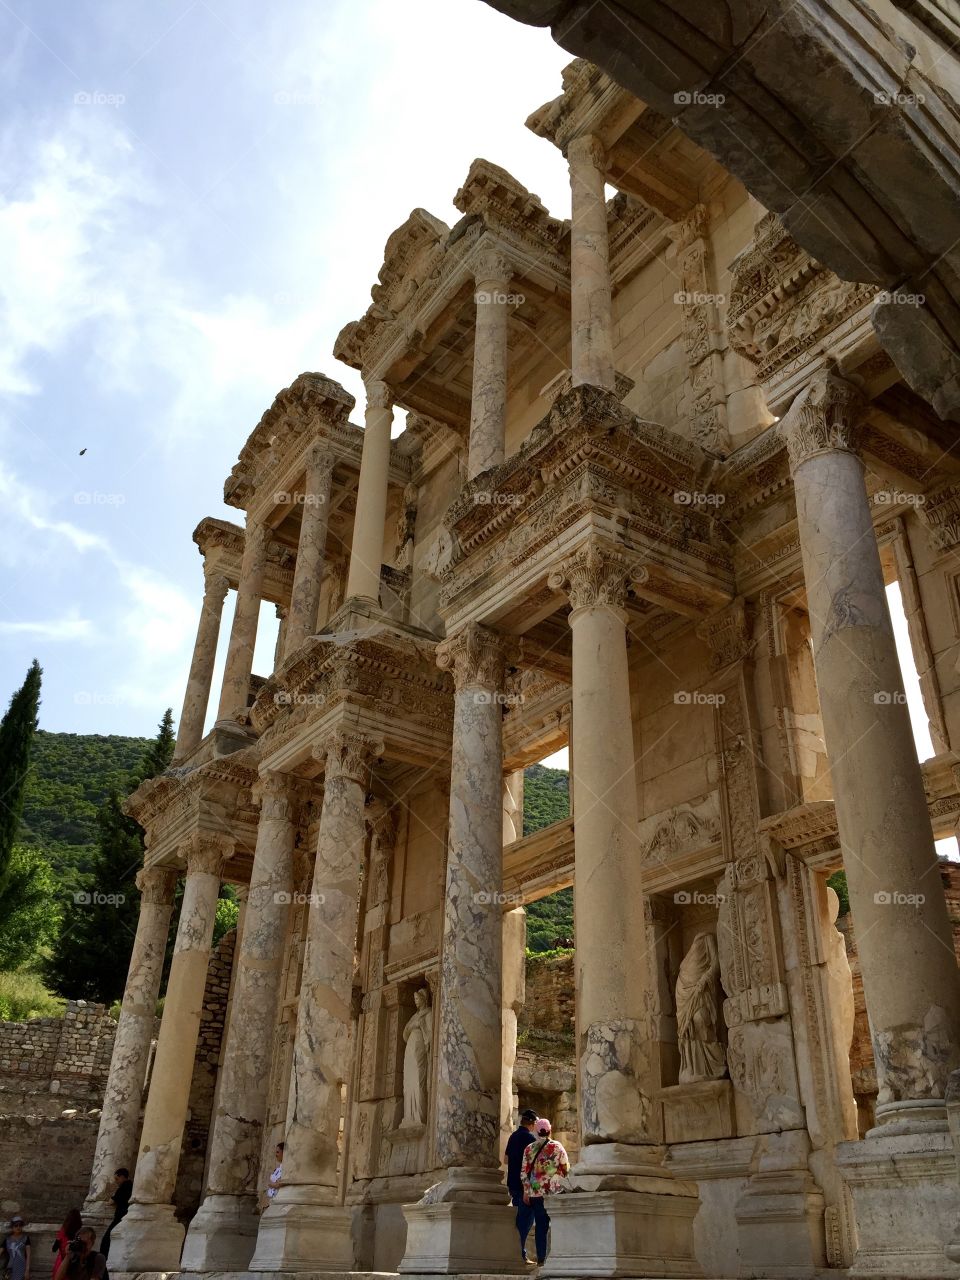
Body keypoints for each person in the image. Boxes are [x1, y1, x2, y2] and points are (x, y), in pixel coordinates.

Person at [520, 1118, 570, 1267]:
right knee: (557, 1225)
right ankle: (557, 1257)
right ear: (549, 1130)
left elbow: (524, 1173)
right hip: (554, 1192)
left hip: (536, 1193)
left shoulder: (529, 1148)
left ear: (537, 1131)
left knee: (541, 1226)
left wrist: (526, 1191)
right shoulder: (557, 1146)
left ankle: (541, 1259)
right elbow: (566, 1168)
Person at [504, 1108, 538, 1264]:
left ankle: (516, 1252)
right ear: (532, 1123)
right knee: (525, 1222)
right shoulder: (530, 1139)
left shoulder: (513, 1136)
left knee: (518, 1220)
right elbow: (532, 1165)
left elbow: (505, 1159)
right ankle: (520, 1254)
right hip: (525, 1187)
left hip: (512, 1184)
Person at [98, 1169, 131, 1261]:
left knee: (106, 1240)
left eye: (117, 1179)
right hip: (125, 1217)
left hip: (120, 1217)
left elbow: (111, 1202)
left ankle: (102, 1260)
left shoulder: (125, 1186)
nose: (116, 1182)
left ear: (122, 1177)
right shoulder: (130, 1185)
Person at [51, 1211, 82, 1279]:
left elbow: (54, 1249)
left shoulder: (63, 1231)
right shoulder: (80, 1233)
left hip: (61, 1262)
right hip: (75, 1263)